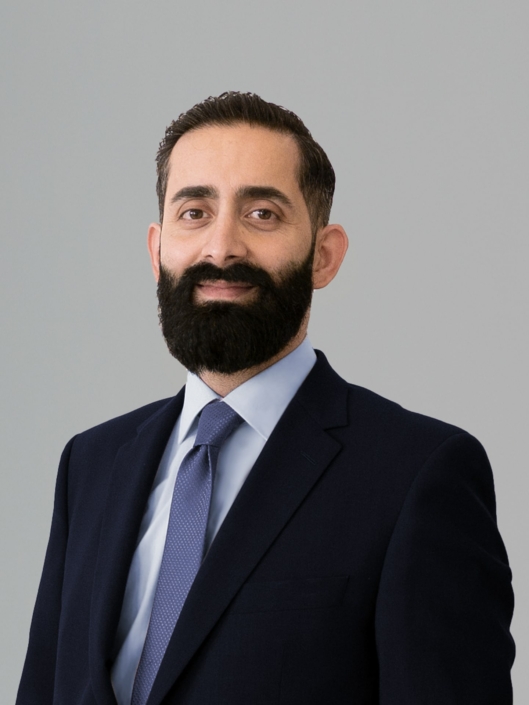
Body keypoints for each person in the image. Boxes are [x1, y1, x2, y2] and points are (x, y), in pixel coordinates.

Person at [17, 92, 515, 705]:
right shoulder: (91, 465)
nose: (221, 247)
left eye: (262, 214)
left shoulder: (417, 474)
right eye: (194, 212)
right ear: (157, 250)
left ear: (324, 257)